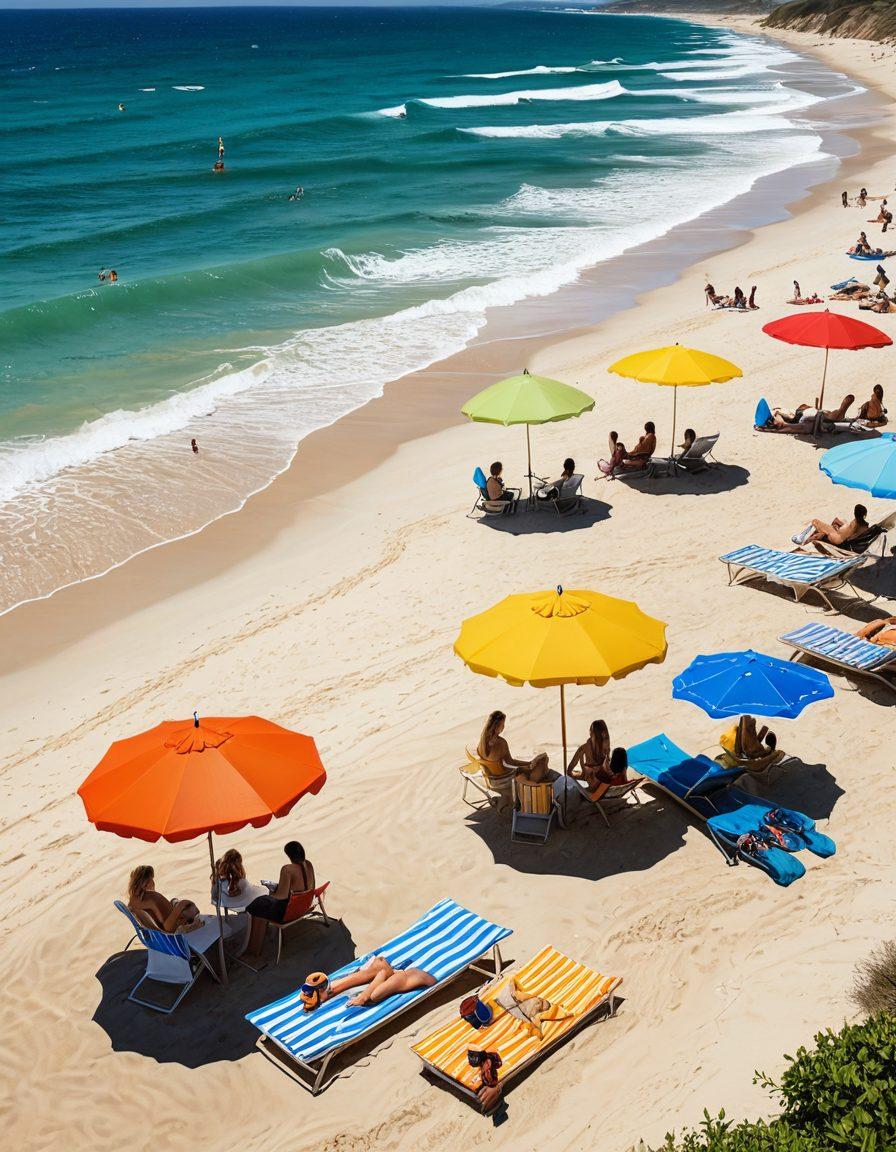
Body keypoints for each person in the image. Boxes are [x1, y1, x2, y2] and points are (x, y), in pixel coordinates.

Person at [243, 841, 316, 964]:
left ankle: (254, 950)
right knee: (262, 903)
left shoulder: (287, 869)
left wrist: (271, 893)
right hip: (303, 906)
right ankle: (261, 935)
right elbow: (311, 886)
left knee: (255, 906)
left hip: (288, 912)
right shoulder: (308, 864)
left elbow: (281, 896)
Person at [306, 956, 437, 1009]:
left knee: (375, 995)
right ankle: (329, 990)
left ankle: (330, 991)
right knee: (374, 993)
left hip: (413, 976)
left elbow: (384, 975)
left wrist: (364, 996)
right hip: (386, 973)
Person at [476, 711, 548, 783]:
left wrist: (528, 764)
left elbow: (508, 763)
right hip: (503, 779)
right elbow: (511, 762)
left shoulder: (482, 741)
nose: (503, 727)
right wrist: (528, 764)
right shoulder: (500, 742)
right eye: (503, 724)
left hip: (491, 778)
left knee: (536, 763)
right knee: (543, 759)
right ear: (496, 726)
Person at [127, 865, 202, 933]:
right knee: (187, 905)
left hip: (157, 933)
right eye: (151, 879)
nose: (153, 882)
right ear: (146, 882)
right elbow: (167, 926)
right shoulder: (152, 897)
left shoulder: (132, 900)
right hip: (171, 930)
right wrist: (182, 905)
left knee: (174, 901)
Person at [567, 719, 611, 790]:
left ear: (592, 733)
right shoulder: (605, 744)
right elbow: (608, 765)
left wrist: (581, 772)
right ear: (603, 733)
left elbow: (570, 769)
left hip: (590, 781)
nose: (589, 733)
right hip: (602, 781)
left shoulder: (584, 747)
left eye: (590, 731)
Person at [799, 503, 869, 547]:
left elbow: (853, 537)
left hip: (838, 538)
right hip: (839, 534)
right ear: (864, 514)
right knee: (842, 520)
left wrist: (845, 533)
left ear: (855, 513)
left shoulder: (858, 524)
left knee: (815, 521)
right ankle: (820, 534)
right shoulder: (862, 523)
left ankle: (817, 535)